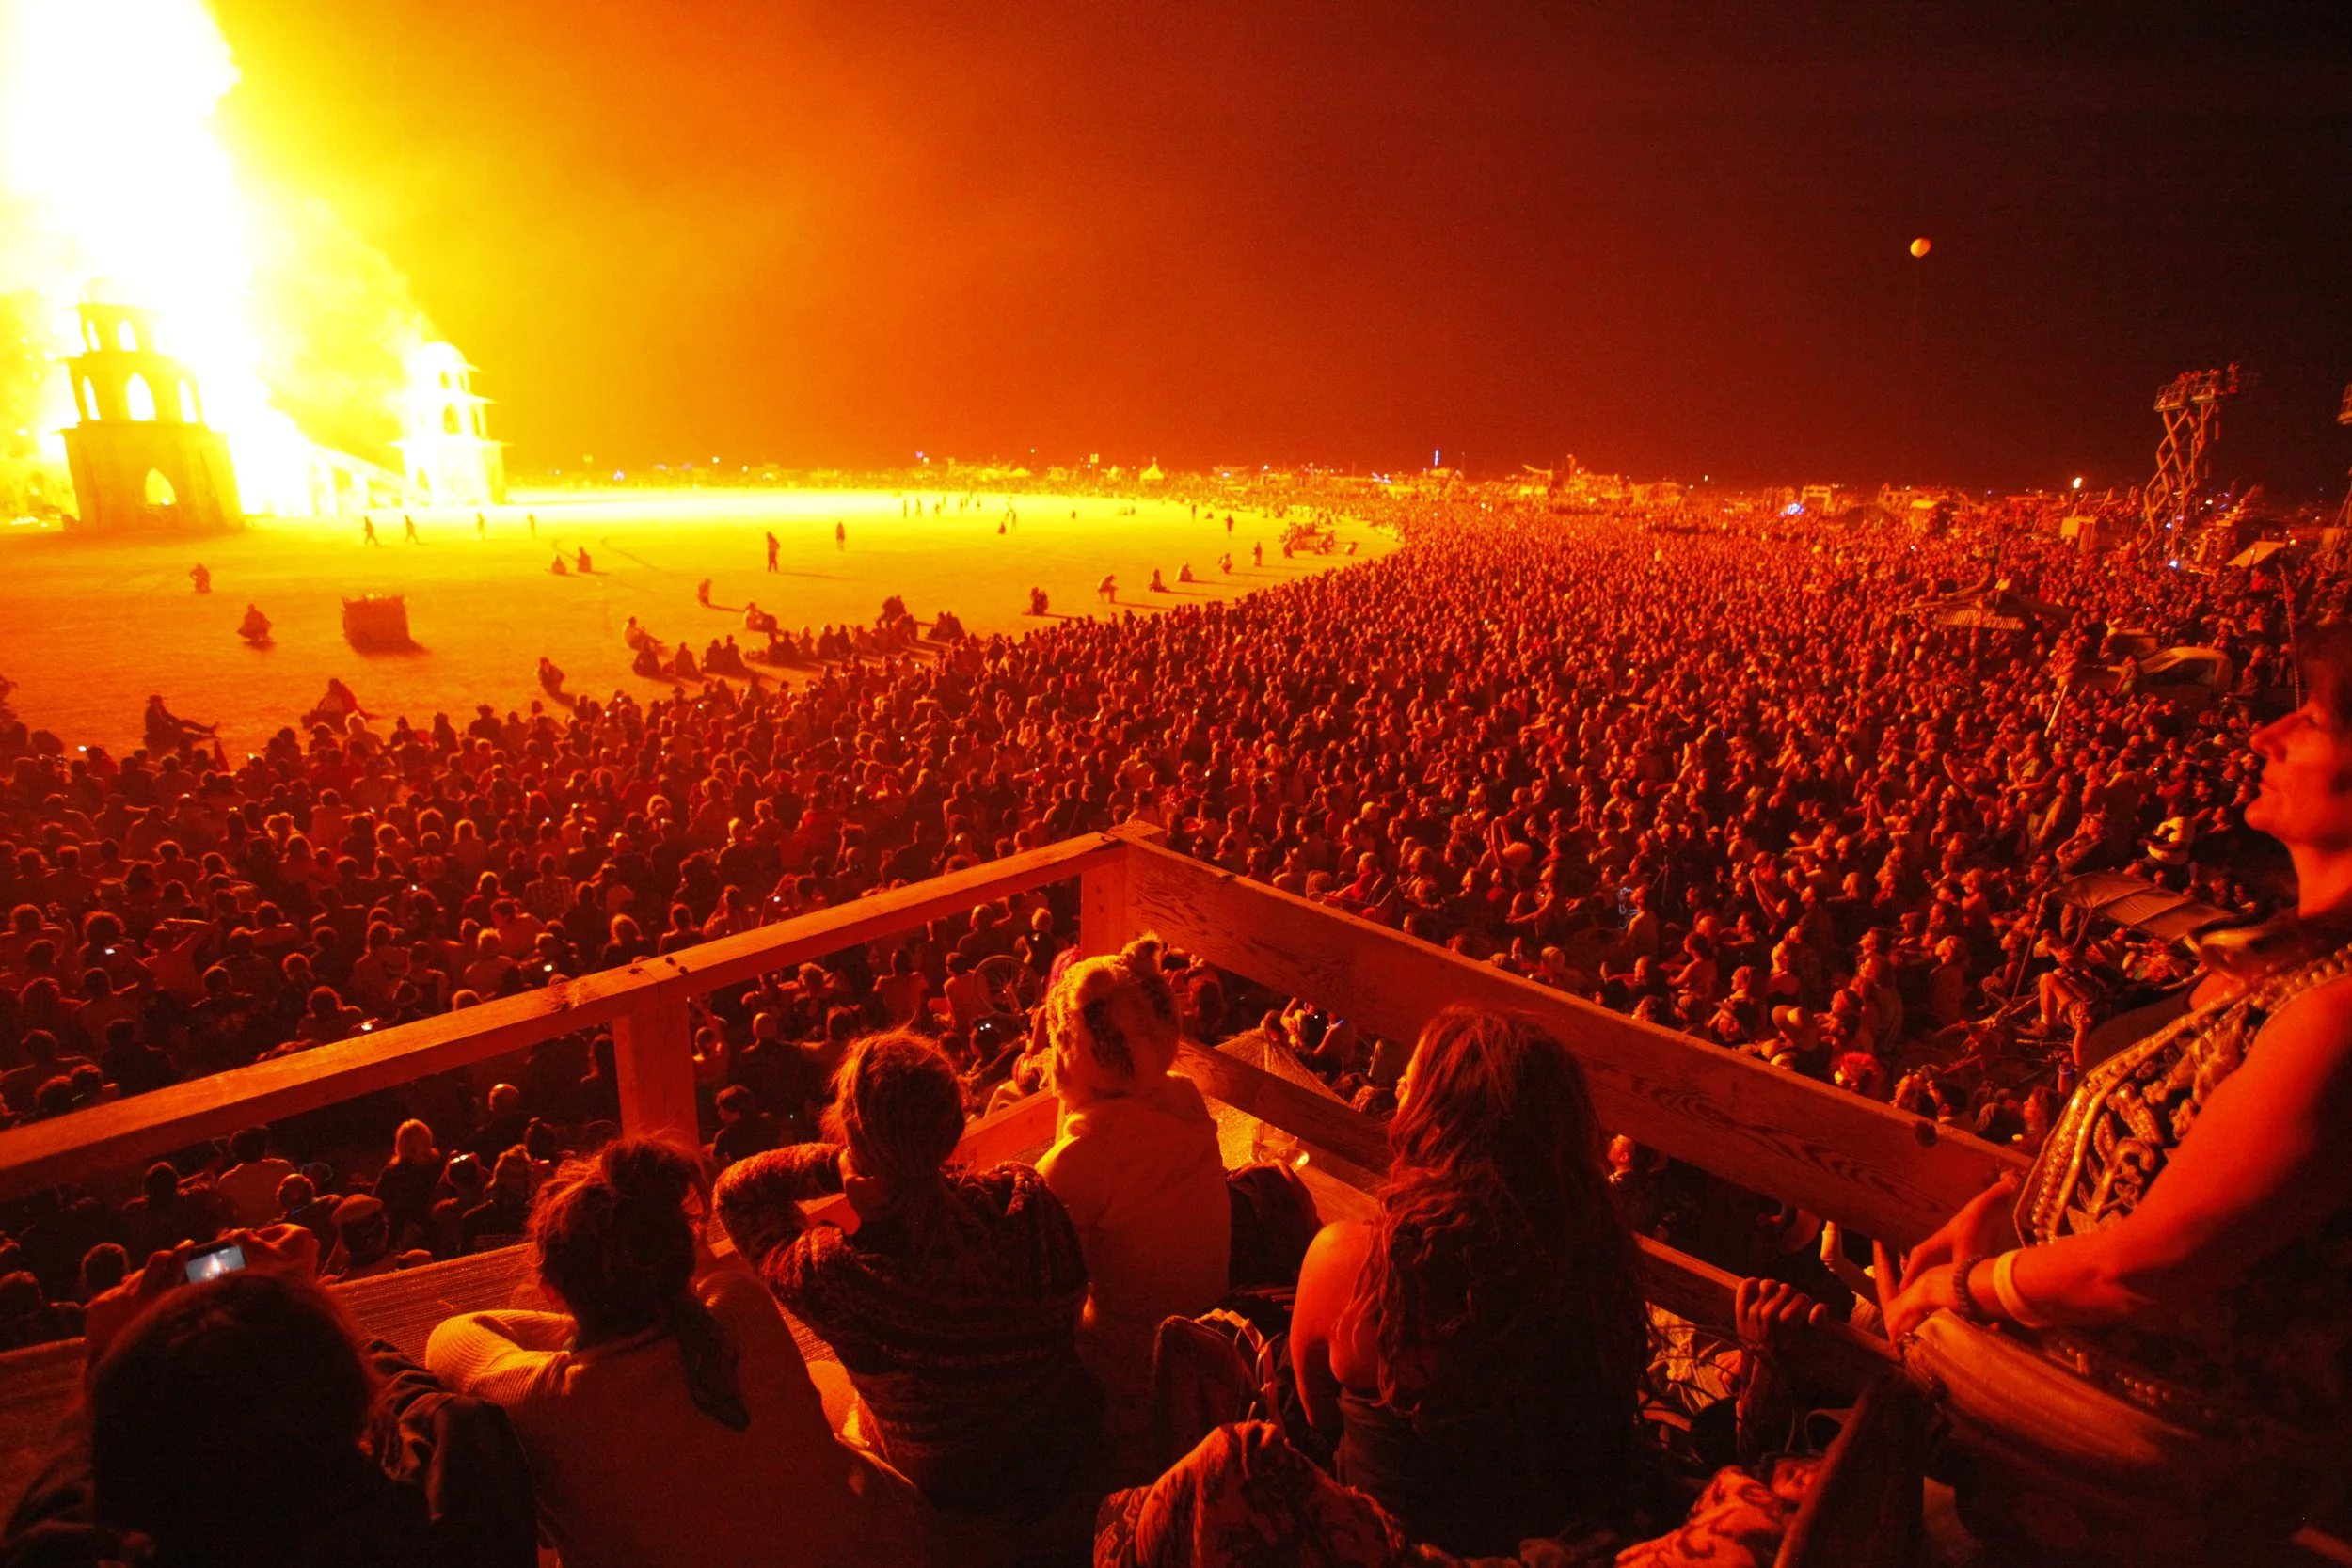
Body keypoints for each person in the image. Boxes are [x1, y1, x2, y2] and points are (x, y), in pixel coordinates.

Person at [1877, 621, 2352, 1550]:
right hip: (2068, 1474)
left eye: (2316, 717)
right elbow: (2194, 1162)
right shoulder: (2294, 961)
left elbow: (2152, 1263)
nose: (2266, 731)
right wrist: (2017, 1202)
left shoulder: (2339, 1010)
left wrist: (1971, 1287)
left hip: (2126, 1494)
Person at [426, 1140, 919, 1568]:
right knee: (822, 1378)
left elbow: (452, 1334)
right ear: (682, 1259)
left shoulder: (539, 1399)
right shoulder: (736, 1309)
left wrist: (585, 1332)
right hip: (865, 1548)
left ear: (554, 1289)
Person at [1288, 1006, 1646, 1556]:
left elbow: (1316, 1415)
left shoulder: (1357, 1262)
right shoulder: (1600, 1267)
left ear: (1438, 1121)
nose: (1400, 1089)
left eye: (1414, 1083)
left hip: (1391, 1550)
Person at [714, 1031, 1103, 1519]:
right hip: (1066, 1439)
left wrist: (836, 1167)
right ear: (953, 1124)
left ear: (853, 1140)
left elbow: (735, 1195)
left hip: (953, 1489)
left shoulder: (838, 1278)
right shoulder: (1026, 1200)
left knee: (820, 1383)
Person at [0, 1227, 536, 1568]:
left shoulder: (80, 1543)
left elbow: (50, 1522)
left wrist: (105, 1357)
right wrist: (302, 1298)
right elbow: (432, 1409)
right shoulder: (456, 1516)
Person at [1035, 938, 1229, 1445]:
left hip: (1126, 1376)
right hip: (1201, 1343)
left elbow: (1035, 1274)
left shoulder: (1078, 1161)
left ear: (1072, 1048)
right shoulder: (1183, 1096)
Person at [213, 1125, 295, 1228]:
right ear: (264, 1148)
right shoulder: (282, 1167)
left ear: (235, 1153)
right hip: (288, 1226)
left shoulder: (226, 1181)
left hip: (253, 1234)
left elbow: (228, 1219)